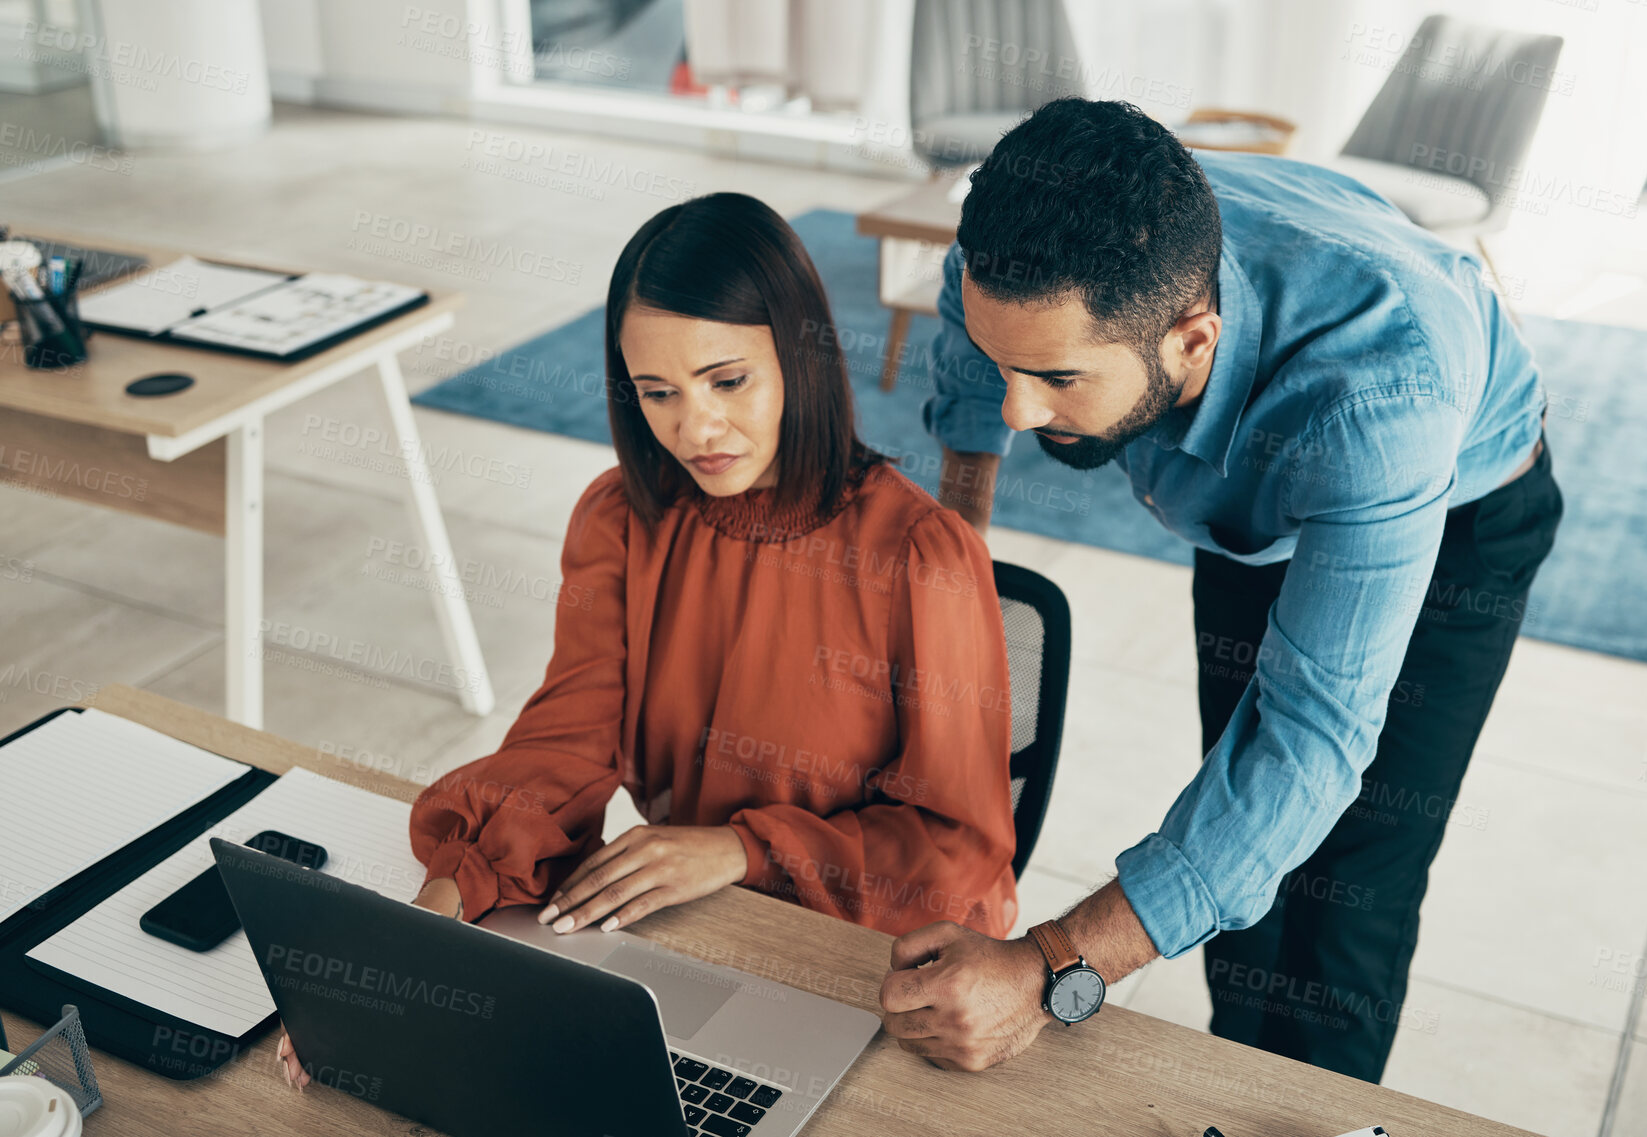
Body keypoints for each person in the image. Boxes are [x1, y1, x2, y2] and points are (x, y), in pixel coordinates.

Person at [877, 98, 1563, 1082]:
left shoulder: (1379, 405)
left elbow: (1305, 746)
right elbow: (966, 322)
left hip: (1459, 507)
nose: (1023, 412)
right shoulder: (1033, 262)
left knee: (1347, 882)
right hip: (1264, 492)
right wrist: (960, 550)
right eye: (1007, 367)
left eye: (1059, 379)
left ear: (1193, 341)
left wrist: (1047, 973)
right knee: (1240, 833)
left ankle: (1315, 1106)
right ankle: (1238, 1078)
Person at [281, 191, 1017, 1088]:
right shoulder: (621, 519)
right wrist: (438, 910)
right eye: (657, 392)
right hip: (690, 938)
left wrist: (743, 847)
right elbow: (567, 738)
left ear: (801, 353)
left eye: (727, 380)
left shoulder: (922, 556)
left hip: (866, 972)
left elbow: (958, 853)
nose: (693, 429)